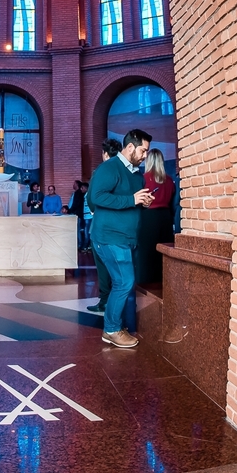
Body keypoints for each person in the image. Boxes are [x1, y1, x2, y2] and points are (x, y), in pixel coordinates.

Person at [87, 130, 153, 348]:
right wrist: (131, 199)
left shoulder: (136, 174)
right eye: (143, 150)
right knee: (124, 281)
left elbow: (130, 201)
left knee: (122, 282)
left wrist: (143, 201)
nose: (145, 155)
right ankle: (112, 329)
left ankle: (115, 325)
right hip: (109, 236)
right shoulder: (109, 167)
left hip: (127, 237)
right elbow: (96, 197)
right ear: (131, 147)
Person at [86, 139, 121, 313]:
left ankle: (105, 301)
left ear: (106, 154)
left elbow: (91, 198)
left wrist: (95, 212)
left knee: (102, 264)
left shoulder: (100, 171)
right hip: (122, 225)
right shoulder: (126, 171)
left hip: (102, 225)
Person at [136, 148, 175, 284]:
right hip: (165, 217)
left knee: (146, 252)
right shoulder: (169, 181)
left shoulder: (143, 179)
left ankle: (145, 280)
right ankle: (163, 279)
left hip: (148, 217)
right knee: (163, 251)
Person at [69, 180, 88, 250]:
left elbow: (76, 204)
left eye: (74, 184)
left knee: (78, 230)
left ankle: (80, 245)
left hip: (77, 214)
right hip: (79, 214)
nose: (73, 185)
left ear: (77, 185)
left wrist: (70, 210)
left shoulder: (78, 193)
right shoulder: (79, 193)